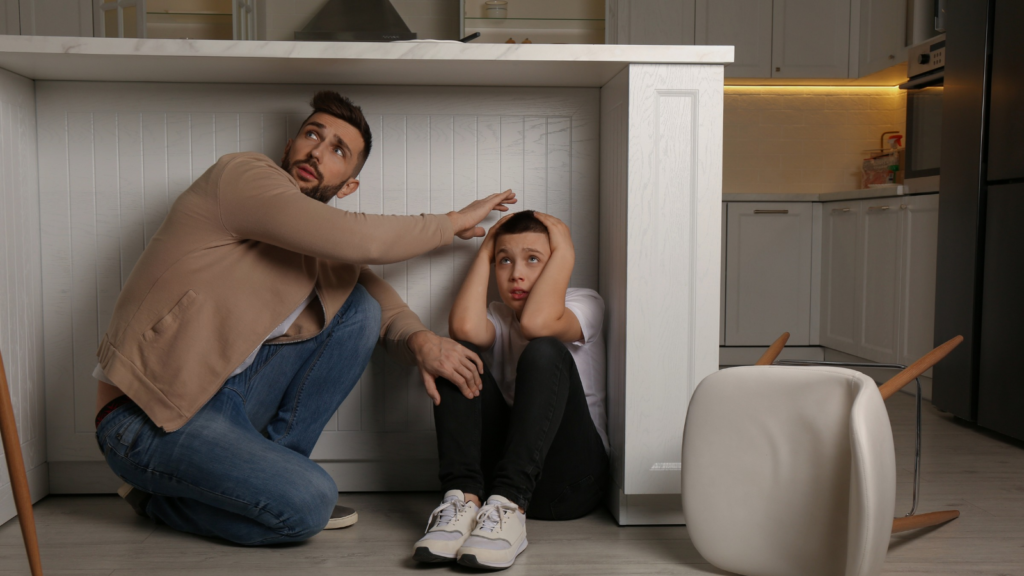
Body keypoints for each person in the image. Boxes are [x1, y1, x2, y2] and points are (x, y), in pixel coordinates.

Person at [92, 90, 516, 546]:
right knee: (311, 505)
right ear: (289, 146)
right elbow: (362, 240)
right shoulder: (240, 176)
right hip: (142, 417)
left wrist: (422, 343)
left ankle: (264, 478)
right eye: (312, 134)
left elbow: (383, 304)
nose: (317, 150)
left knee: (360, 309)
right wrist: (450, 221)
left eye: (338, 150)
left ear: (348, 184)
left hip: (226, 405)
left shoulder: (326, 248)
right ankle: (160, 499)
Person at [413, 210, 609, 570]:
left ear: (557, 263)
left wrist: (564, 249)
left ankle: (510, 504)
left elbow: (538, 324)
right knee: (455, 356)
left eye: (533, 260)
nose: (516, 274)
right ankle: (463, 503)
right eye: (505, 261)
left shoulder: (584, 303)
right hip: (497, 480)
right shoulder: (499, 316)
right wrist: (486, 248)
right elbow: (464, 327)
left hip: (572, 484)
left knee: (544, 349)